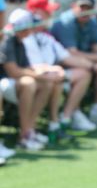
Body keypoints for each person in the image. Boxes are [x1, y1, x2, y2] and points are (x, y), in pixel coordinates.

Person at [24, 0, 97, 132]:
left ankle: (65, 118)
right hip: (36, 76)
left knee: (83, 73)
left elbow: (67, 57)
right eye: (47, 12)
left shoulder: (47, 36)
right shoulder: (25, 36)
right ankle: (31, 130)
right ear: (36, 13)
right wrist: (52, 70)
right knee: (53, 81)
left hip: (51, 73)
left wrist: (93, 65)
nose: (50, 14)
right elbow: (30, 65)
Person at [0, 8, 56, 151]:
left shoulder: (20, 40)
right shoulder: (8, 40)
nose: (31, 29)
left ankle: (29, 129)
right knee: (30, 83)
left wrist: (46, 71)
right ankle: (24, 136)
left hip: (13, 82)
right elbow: (13, 72)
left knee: (47, 84)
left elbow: (25, 67)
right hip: (4, 82)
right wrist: (39, 75)